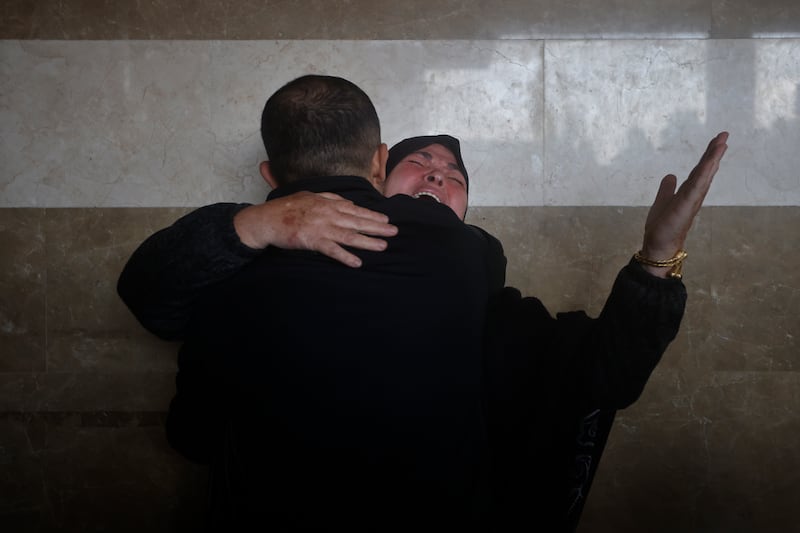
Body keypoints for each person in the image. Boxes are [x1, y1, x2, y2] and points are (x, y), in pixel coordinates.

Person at [117, 74, 729, 530]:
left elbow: (604, 372)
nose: (439, 175)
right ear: (375, 177)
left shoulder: (479, 284)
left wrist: (659, 253)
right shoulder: (255, 252)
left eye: (455, 176)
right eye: (421, 163)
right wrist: (261, 222)